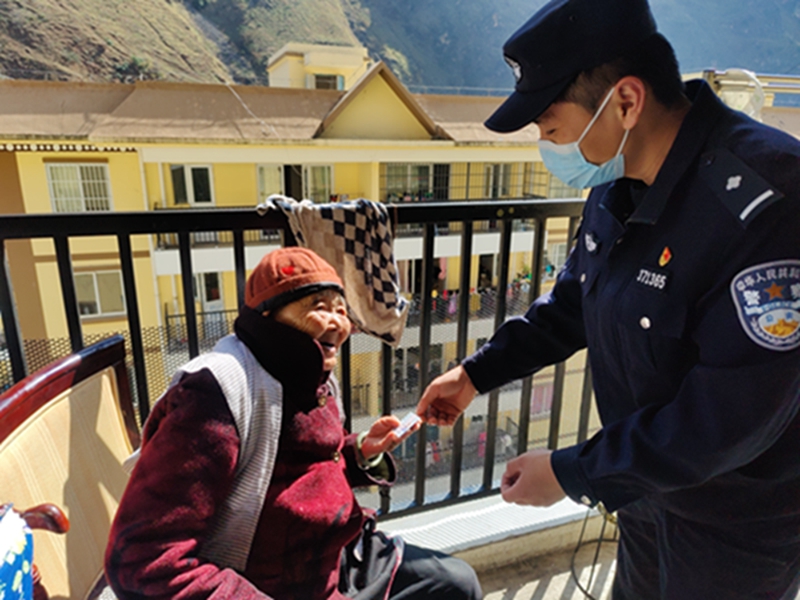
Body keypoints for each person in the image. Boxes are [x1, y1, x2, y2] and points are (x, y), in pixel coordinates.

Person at [416, 0, 800, 598]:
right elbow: (574, 302)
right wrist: (475, 375)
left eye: (549, 126)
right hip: (646, 493)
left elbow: (728, 416)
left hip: (735, 522)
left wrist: (572, 474)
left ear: (625, 101)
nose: (546, 144)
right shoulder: (616, 181)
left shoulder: (768, 202)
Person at [106, 247, 482, 600]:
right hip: (272, 581)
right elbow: (143, 560)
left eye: (341, 309)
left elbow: (299, 469)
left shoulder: (311, 376)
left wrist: (359, 451)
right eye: (320, 307)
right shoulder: (214, 394)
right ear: (268, 318)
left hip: (340, 555)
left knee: (457, 584)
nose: (339, 322)